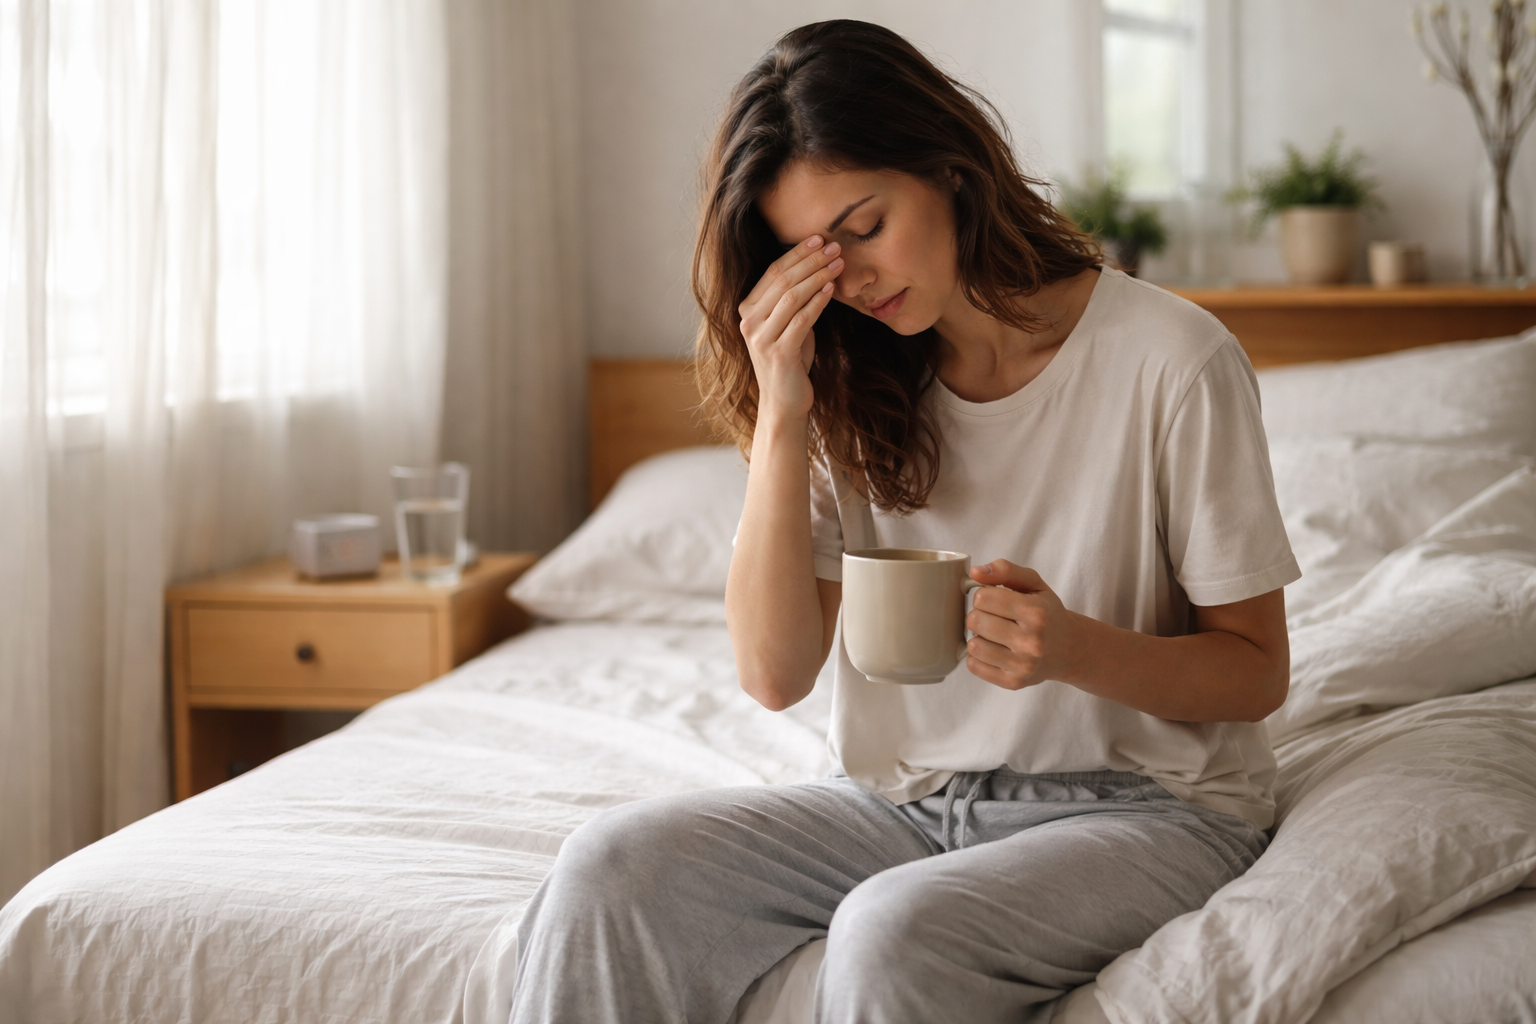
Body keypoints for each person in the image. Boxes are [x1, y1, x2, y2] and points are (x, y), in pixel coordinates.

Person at [509, 19, 1298, 1024]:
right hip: (904, 803)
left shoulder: (1174, 360)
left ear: (950, 169)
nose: (851, 275)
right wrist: (784, 406)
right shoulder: (849, 383)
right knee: (608, 867)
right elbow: (774, 671)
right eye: (809, 256)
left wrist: (1074, 649)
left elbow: (1256, 669)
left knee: (892, 929)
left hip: (1155, 811)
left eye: (864, 225)